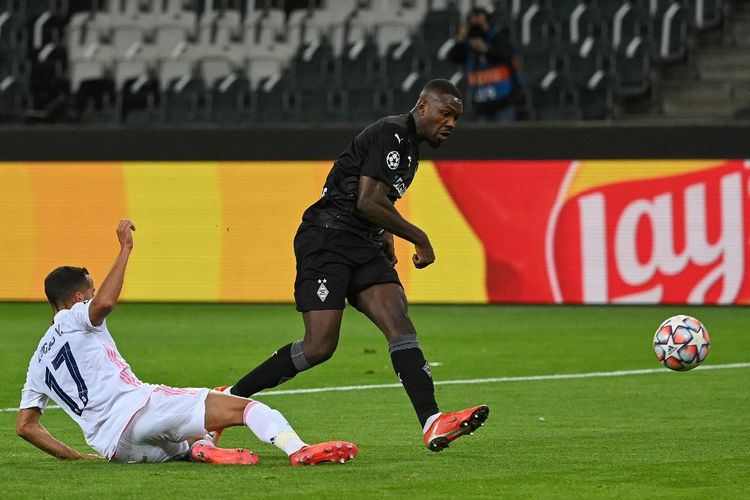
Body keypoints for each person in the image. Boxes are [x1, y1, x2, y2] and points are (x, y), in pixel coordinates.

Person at [222, 79, 489, 452]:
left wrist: (386, 235)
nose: (451, 124)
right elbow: (366, 201)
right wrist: (420, 237)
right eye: (446, 113)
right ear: (423, 107)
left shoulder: (410, 147)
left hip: (362, 243)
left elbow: (375, 198)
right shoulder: (393, 133)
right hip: (327, 239)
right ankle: (229, 398)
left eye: (457, 118)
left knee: (399, 323)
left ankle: (432, 420)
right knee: (319, 346)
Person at [16, 219, 357, 466]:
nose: (94, 298)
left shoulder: (38, 362)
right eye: (89, 293)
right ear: (77, 298)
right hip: (138, 409)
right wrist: (125, 250)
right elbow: (104, 304)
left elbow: (26, 427)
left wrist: (75, 456)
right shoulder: (72, 317)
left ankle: (200, 448)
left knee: (185, 441)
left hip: (116, 449)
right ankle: (297, 449)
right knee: (242, 405)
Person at [446, 7, 521, 122]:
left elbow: (506, 56)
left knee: (504, 135)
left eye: (481, 23)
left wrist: (485, 49)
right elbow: (452, 58)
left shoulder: (498, 36)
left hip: (503, 99)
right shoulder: (468, 45)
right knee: (486, 137)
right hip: (482, 102)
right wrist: (460, 39)